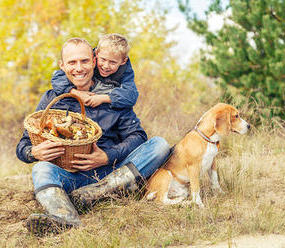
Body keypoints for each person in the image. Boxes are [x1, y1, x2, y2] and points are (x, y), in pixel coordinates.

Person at [16, 37, 170, 236]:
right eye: (72, 62)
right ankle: (65, 217)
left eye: (84, 61)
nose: (79, 68)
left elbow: (138, 137)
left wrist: (106, 156)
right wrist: (34, 152)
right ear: (62, 65)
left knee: (160, 145)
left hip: (112, 172)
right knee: (41, 168)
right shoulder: (52, 98)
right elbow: (23, 146)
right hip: (72, 177)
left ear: (94, 60)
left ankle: (96, 194)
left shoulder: (113, 96)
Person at [52, 33, 138, 108]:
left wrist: (103, 98)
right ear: (96, 53)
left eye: (112, 62)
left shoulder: (125, 71)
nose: (106, 66)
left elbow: (131, 95)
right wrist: (76, 93)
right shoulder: (87, 58)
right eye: (103, 59)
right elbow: (57, 78)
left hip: (105, 97)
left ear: (123, 61)